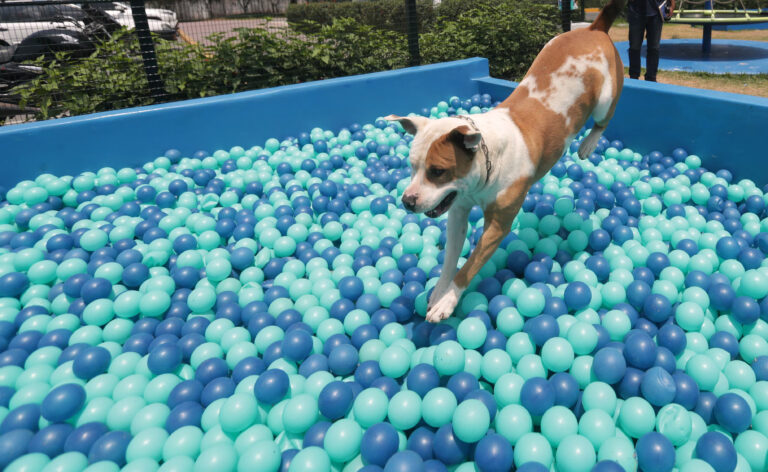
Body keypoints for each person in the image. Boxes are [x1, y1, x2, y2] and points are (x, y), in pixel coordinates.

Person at [627, 0, 675, 82]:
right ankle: (634, 77)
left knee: (654, 48)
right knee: (634, 46)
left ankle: (651, 77)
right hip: (636, 11)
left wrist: (672, 5)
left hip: (656, 12)